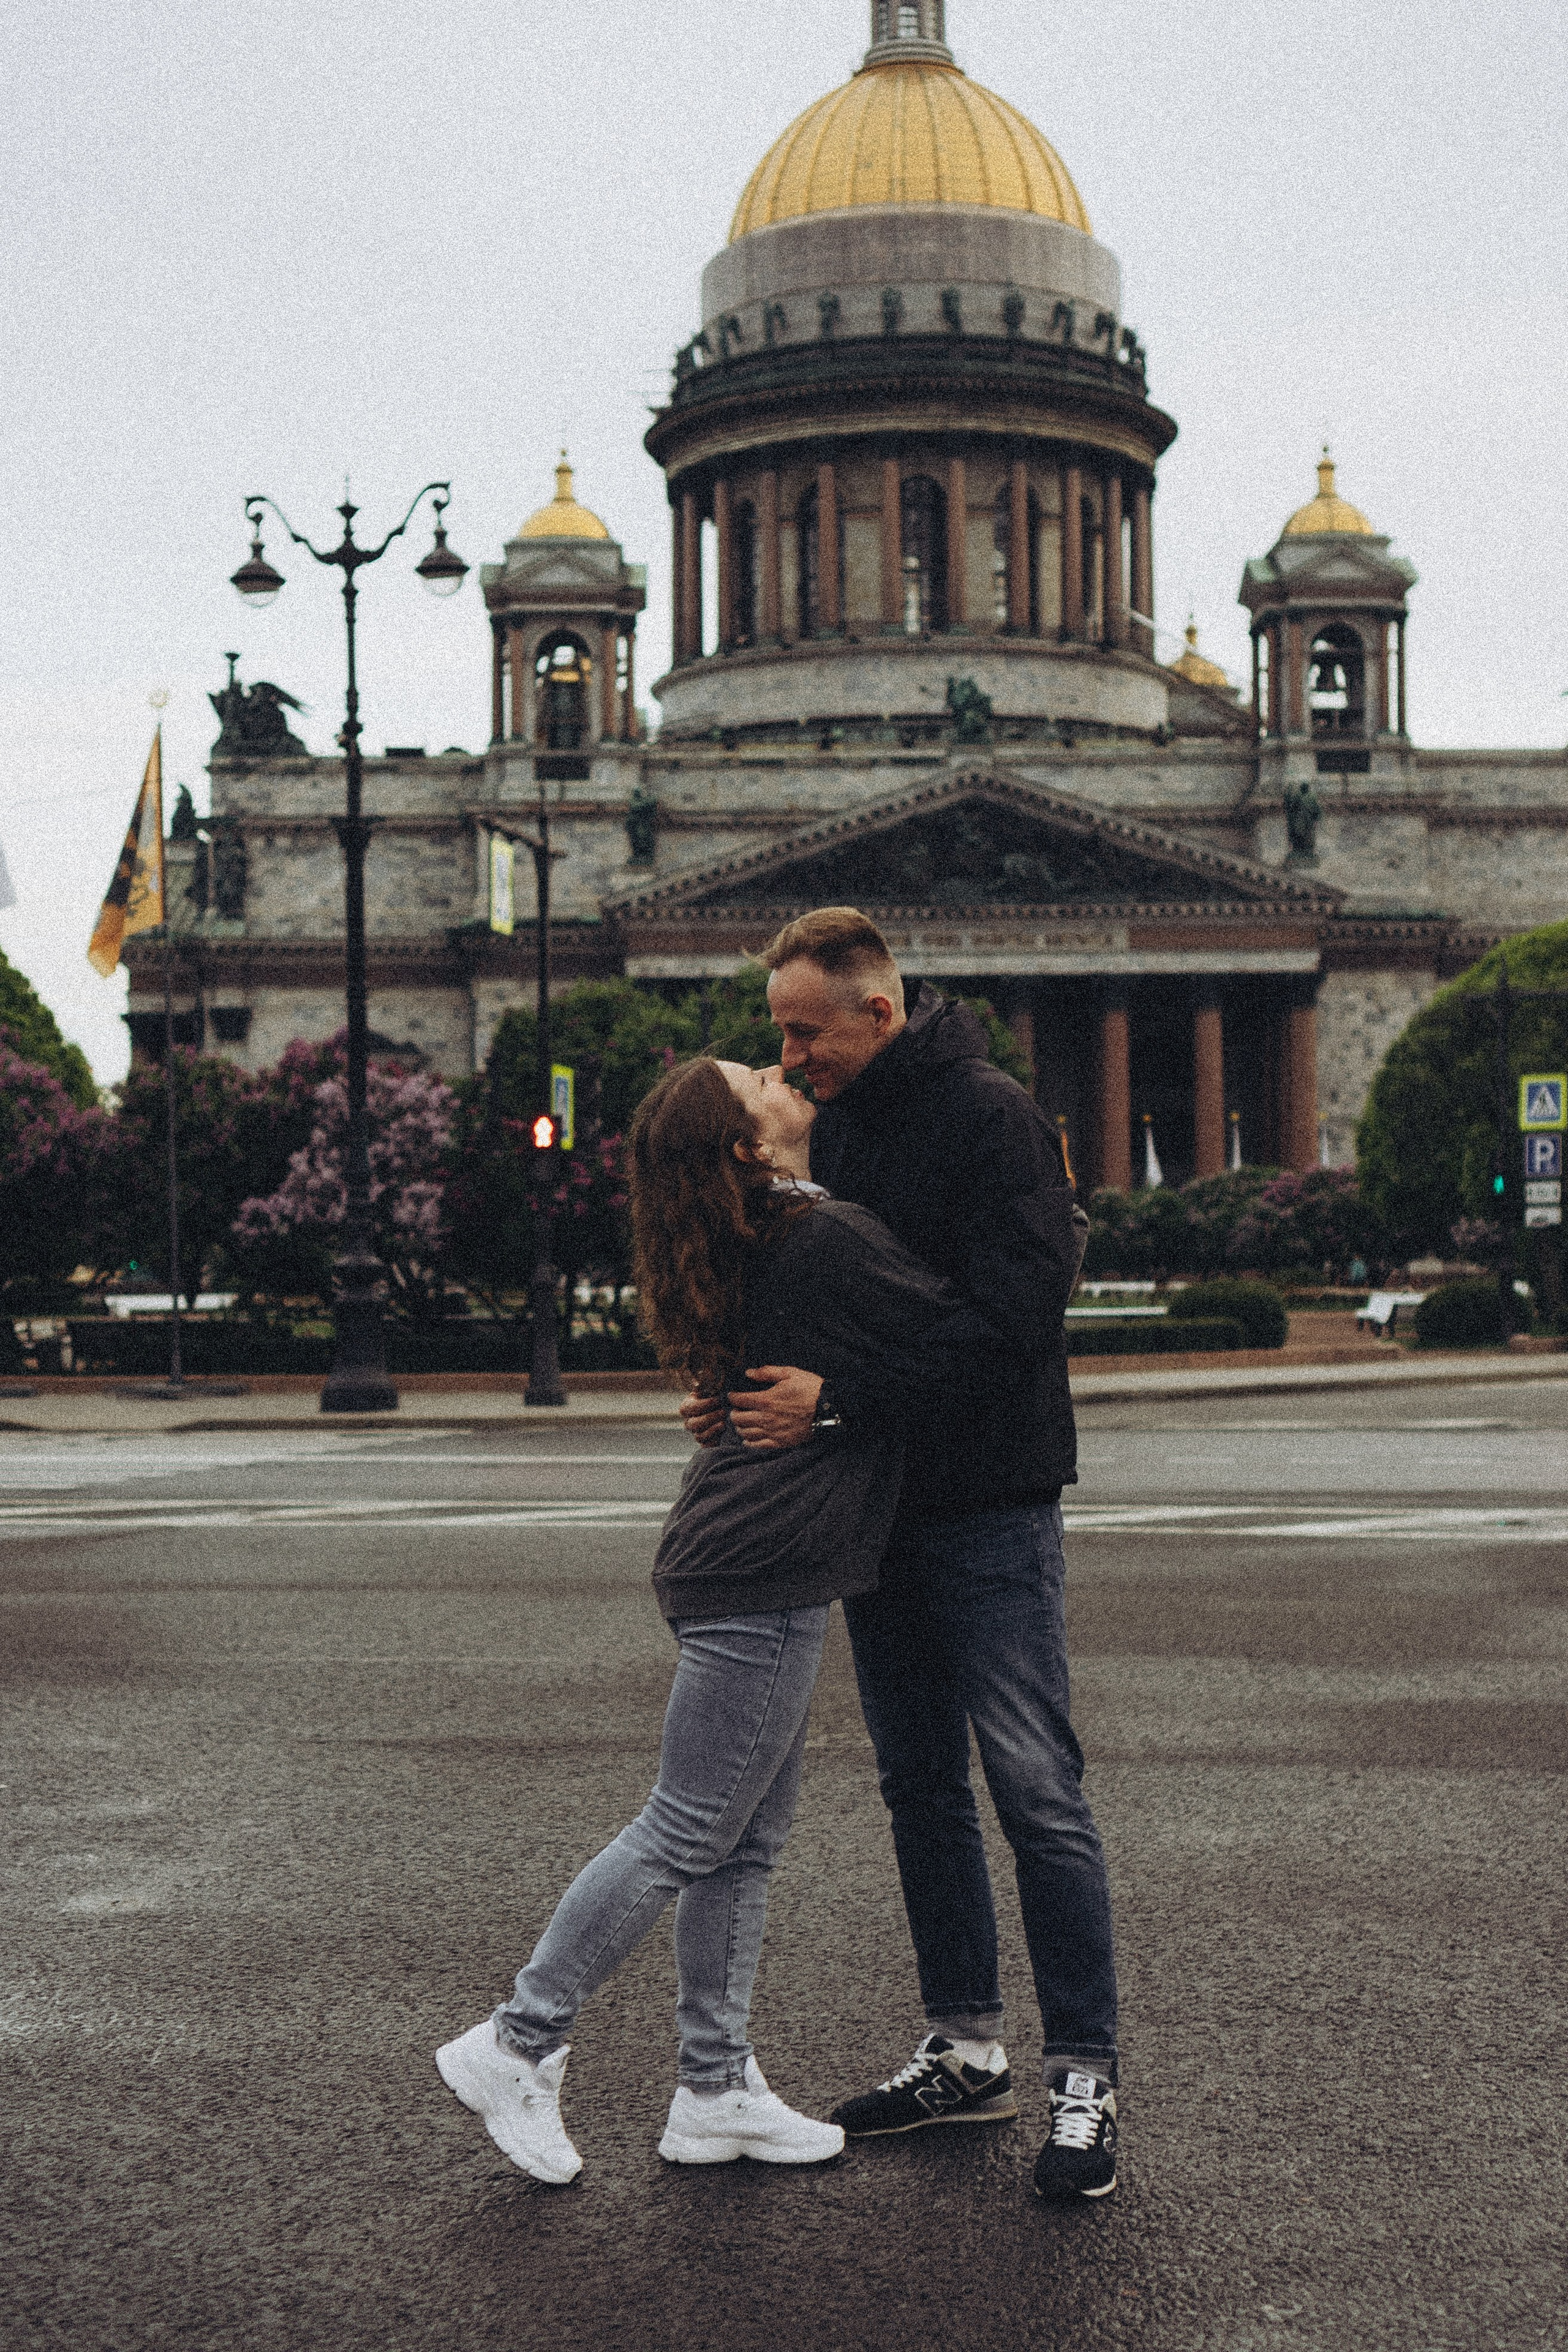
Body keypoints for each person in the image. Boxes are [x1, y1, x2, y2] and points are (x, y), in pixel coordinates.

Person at [435, 1053, 992, 2184]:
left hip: (739, 1560)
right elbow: (958, 1324)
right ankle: (519, 2041)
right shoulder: (820, 1235)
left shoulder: (763, 1238)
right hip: (763, 1570)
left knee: (742, 1843)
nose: (785, 1073)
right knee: (690, 1830)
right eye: (760, 1079)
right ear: (749, 1143)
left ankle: (714, 2090)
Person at [680, 907, 1117, 2203]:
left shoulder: (991, 1122)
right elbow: (817, 1297)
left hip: (985, 1501)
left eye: (804, 1031)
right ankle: (965, 2046)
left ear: (877, 1012)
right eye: (778, 1033)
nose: (787, 1054)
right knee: (918, 1784)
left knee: (1036, 1790)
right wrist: (735, 1384)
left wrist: (836, 1404)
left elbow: (1015, 1324)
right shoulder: (836, 1122)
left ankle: (1082, 2075)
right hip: (876, 1509)